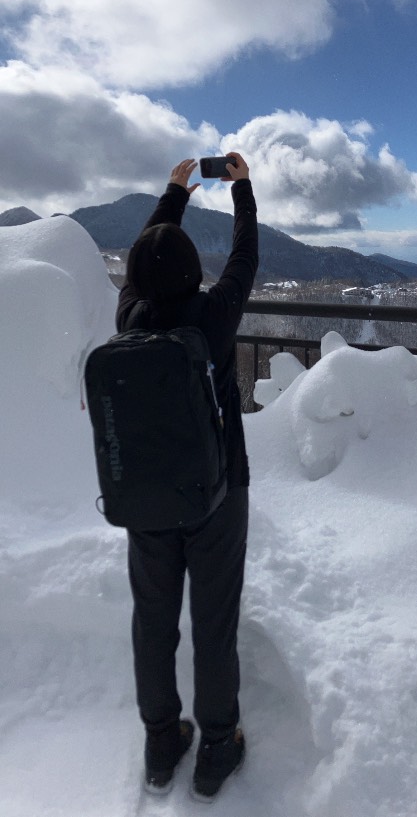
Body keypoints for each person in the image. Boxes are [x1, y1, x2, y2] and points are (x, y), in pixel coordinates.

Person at [116, 153, 258, 801]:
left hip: (145, 497)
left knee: (154, 618)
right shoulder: (214, 317)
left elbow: (140, 265)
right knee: (213, 618)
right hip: (217, 491)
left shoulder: (131, 318)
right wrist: (242, 189)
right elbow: (244, 259)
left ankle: (160, 737)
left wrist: (173, 192)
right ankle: (217, 744)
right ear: (192, 274)